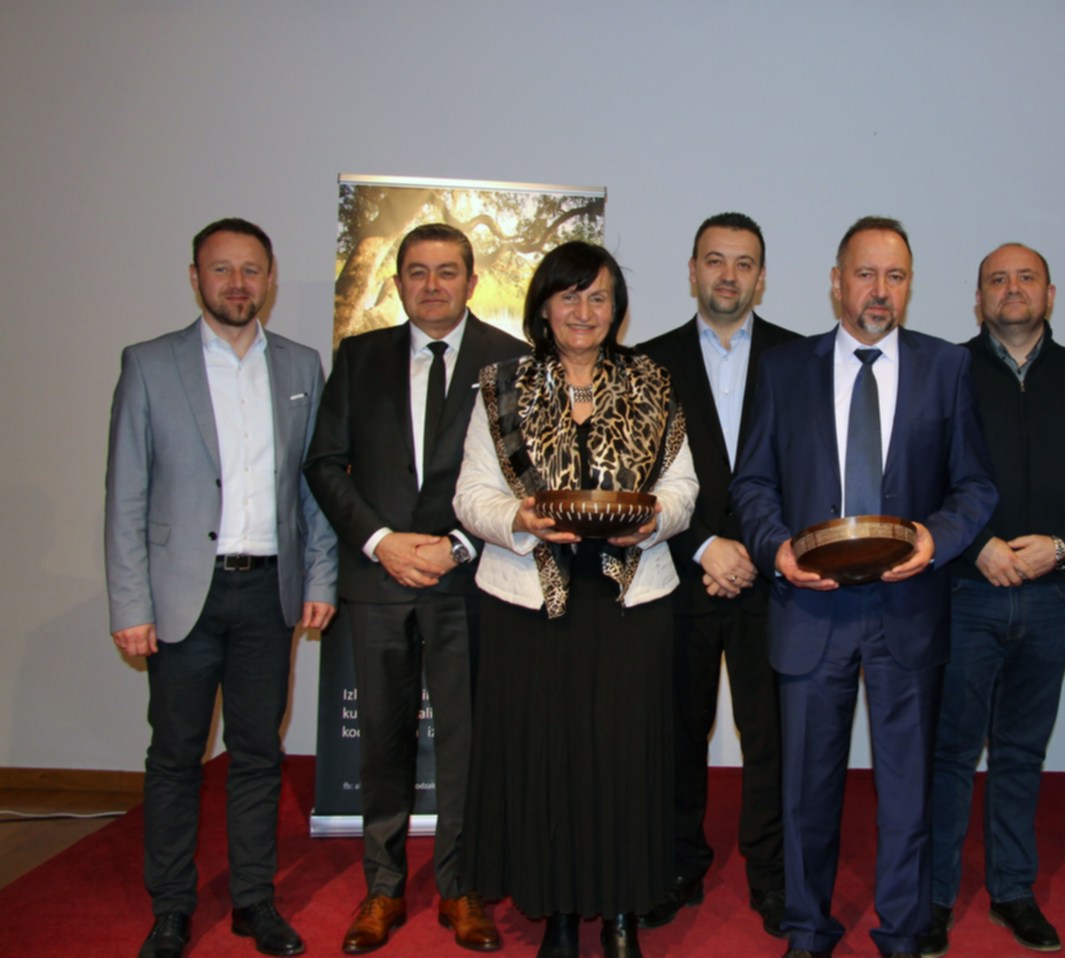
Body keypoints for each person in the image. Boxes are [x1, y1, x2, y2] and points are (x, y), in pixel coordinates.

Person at [731, 216, 997, 958]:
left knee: (908, 794)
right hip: (809, 608)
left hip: (907, 608)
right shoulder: (784, 369)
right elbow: (752, 482)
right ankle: (808, 929)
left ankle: (903, 932)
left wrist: (936, 540)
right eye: (866, 274)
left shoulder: (947, 367)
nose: (880, 290)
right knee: (806, 791)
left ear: (910, 286)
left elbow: (975, 485)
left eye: (896, 276)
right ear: (836, 282)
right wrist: (775, 548)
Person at [453, 241, 697, 958]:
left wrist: (655, 520)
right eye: (569, 296)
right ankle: (557, 912)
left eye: (598, 297)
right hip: (529, 604)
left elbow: (683, 487)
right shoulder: (502, 385)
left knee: (624, 764)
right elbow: (471, 494)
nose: (583, 311)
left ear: (617, 308)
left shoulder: (653, 381)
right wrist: (520, 519)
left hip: (632, 602)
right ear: (544, 306)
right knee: (547, 763)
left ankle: (621, 914)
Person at [105, 217, 338, 958]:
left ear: (269, 279)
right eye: (221, 269)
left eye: (251, 270)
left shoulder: (301, 367)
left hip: (269, 595)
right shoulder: (149, 364)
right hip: (182, 598)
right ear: (195, 278)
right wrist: (131, 604)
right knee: (175, 756)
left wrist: (322, 574)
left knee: (258, 754)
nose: (237, 283)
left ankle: (253, 901)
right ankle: (171, 908)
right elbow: (125, 495)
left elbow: (314, 487)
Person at [304, 223, 526, 953]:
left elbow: (522, 478)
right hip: (378, 580)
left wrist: (455, 545)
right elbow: (324, 463)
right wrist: (381, 541)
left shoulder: (511, 360)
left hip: (468, 582)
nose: (433, 285)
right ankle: (384, 887)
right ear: (398, 282)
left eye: (447, 271)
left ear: (471, 281)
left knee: (466, 743)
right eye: (418, 272)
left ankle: (461, 887)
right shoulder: (359, 357)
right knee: (381, 742)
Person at [921, 243, 1065, 957]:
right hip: (966, 588)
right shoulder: (947, 370)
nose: (1012, 289)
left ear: (1050, 294)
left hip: (1053, 592)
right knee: (950, 752)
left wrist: (1062, 546)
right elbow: (922, 472)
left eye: (1025, 278)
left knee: (1021, 749)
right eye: (997, 280)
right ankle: (933, 897)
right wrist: (975, 545)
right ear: (978, 300)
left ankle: (1012, 890)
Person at [637, 213, 800, 938]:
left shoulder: (801, 358)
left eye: (743, 263)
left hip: (774, 582)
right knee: (676, 734)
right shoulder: (646, 363)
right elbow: (638, 478)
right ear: (692, 270)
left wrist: (756, 551)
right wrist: (705, 545)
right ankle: (677, 866)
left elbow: (810, 474)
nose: (728, 275)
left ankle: (773, 874)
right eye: (715, 260)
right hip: (681, 576)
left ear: (761, 277)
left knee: (774, 740)